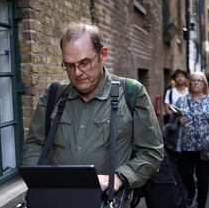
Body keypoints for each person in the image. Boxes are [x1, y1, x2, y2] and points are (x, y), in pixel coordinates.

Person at [22, 23, 164, 206]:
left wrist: (119, 178)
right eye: (69, 65)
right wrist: (41, 181)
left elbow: (152, 152)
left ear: (103, 54)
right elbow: (34, 143)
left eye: (84, 62)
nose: (77, 72)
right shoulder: (53, 94)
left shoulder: (131, 92)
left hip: (106, 202)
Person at [167, 72, 209, 208]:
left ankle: (201, 204)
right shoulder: (182, 101)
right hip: (186, 147)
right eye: (194, 80)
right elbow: (171, 123)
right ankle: (191, 191)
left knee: (203, 179)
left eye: (199, 81)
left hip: (206, 148)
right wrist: (178, 122)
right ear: (190, 83)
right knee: (185, 174)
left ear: (204, 84)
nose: (196, 82)